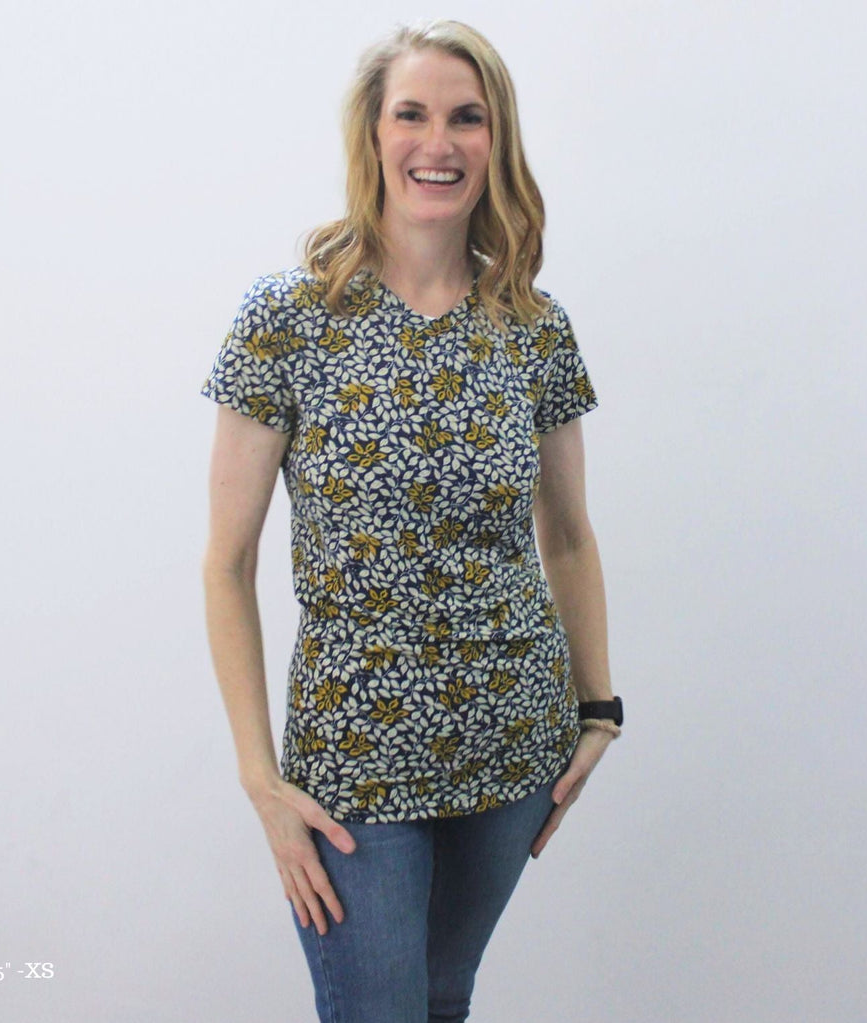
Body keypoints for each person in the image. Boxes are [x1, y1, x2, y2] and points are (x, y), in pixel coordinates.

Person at [200, 18, 622, 1023]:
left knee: (439, 998)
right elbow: (227, 561)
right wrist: (262, 782)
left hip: (512, 740)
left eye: (466, 118)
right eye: (413, 114)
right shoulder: (288, 316)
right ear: (374, 135)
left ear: (496, 141)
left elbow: (565, 537)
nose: (439, 142)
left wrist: (599, 710)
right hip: (354, 757)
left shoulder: (532, 326)